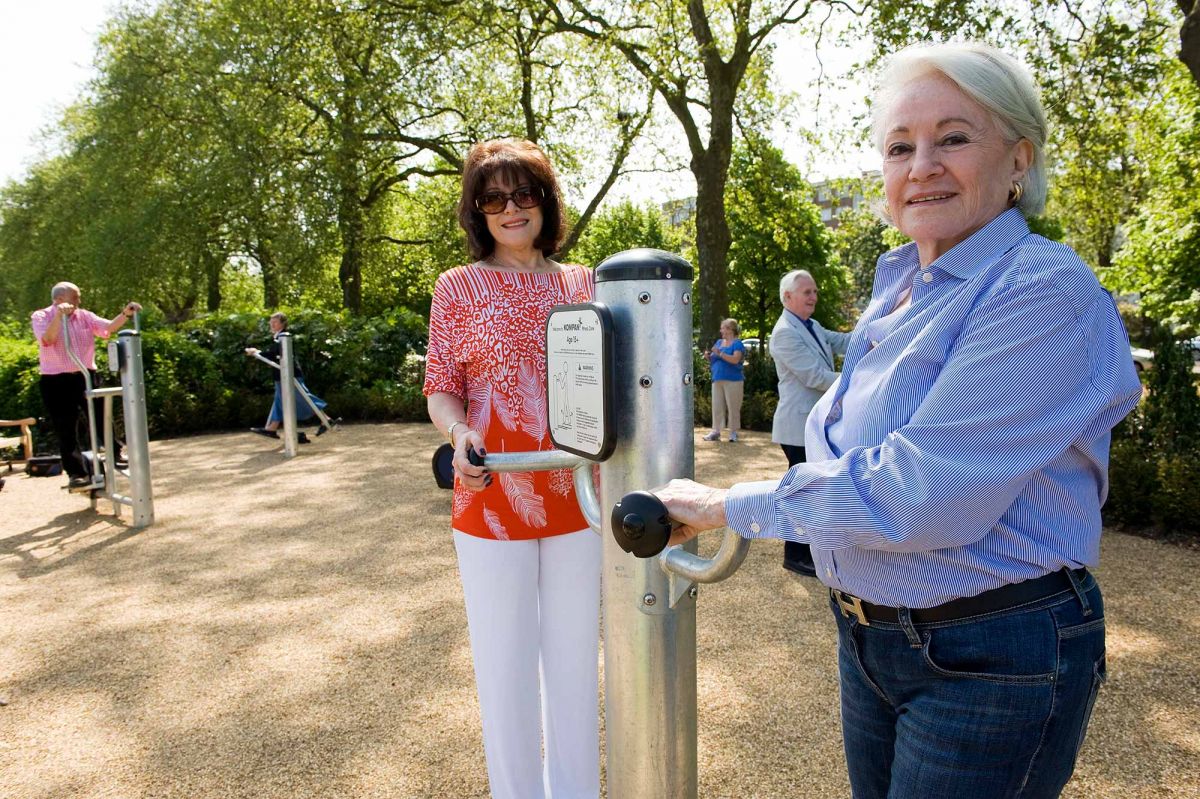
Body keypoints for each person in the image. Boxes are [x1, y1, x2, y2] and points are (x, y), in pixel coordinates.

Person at [654, 43, 1142, 798]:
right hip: (871, 636)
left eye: (953, 137)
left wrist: (726, 505)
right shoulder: (901, 284)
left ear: (1019, 160)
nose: (922, 166)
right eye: (900, 146)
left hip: (989, 653)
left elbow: (915, 492)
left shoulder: (1042, 291)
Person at [423, 139, 600, 799]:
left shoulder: (584, 283)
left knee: (577, 671)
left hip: (577, 494)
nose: (510, 208)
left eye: (523, 193)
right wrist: (459, 429)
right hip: (492, 495)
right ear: (477, 210)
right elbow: (441, 386)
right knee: (505, 675)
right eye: (493, 197)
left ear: (545, 201)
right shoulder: (457, 287)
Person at [770, 270, 850, 576]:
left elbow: (842, 340)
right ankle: (795, 555)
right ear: (787, 297)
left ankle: (805, 552)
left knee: (810, 490)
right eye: (807, 292)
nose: (814, 297)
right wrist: (863, 378)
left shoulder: (810, 325)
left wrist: (882, 329)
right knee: (802, 492)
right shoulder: (784, 333)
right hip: (796, 426)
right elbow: (815, 377)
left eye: (815, 291)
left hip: (809, 426)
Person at [30, 282, 141, 490]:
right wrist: (58, 317)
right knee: (66, 427)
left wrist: (125, 314)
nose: (79, 301)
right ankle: (77, 473)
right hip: (55, 379)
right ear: (59, 299)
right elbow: (47, 340)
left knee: (101, 416)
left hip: (85, 375)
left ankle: (114, 453)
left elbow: (107, 328)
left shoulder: (84, 315)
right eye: (75, 297)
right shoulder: (41, 316)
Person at [243, 312, 329, 443]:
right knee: (280, 401)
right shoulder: (278, 337)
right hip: (283, 376)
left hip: (289, 375)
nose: (272, 325)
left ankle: (326, 419)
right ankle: (272, 429)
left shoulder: (283, 336)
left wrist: (256, 352)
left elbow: (274, 354)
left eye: (275, 322)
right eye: (271, 322)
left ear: (282, 324)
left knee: (304, 398)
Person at [702, 318, 746, 442]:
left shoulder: (737, 344)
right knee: (717, 406)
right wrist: (708, 356)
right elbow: (714, 358)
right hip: (717, 378)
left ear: (730, 330)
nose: (721, 331)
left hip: (733, 380)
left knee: (733, 406)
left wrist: (720, 353)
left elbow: (735, 359)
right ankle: (716, 431)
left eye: (723, 328)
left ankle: (733, 432)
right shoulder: (719, 342)